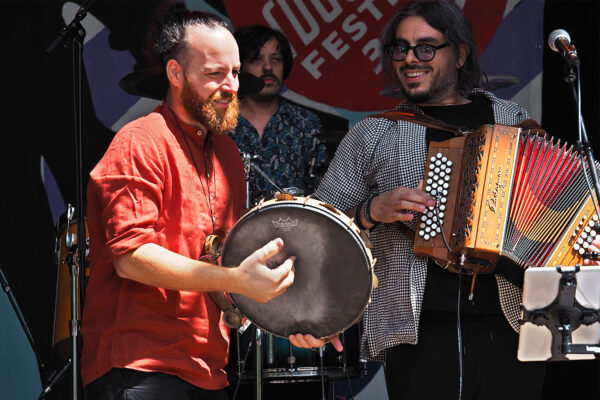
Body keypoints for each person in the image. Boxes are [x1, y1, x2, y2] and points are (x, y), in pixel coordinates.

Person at [81, 7, 336, 399]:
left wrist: (299, 318)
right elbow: (130, 257)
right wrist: (235, 278)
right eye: (215, 73)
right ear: (176, 74)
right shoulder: (140, 140)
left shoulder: (228, 154)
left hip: (208, 369)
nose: (231, 84)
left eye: (235, 72)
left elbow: (230, 267)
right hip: (138, 365)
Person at [313, 1, 563, 399]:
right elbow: (318, 226)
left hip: (514, 325)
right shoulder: (374, 133)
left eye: (426, 47)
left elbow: (556, 203)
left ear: (460, 54)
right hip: (418, 334)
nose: (410, 58)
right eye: (400, 48)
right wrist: (370, 212)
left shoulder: (513, 122)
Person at [229, 25, 327, 205]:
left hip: (293, 227)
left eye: (276, 60)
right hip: (231, 229)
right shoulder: (221, 121)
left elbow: (320, 193)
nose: (268, 67)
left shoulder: (305, 122)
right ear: (240, 67)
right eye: (257, 60)